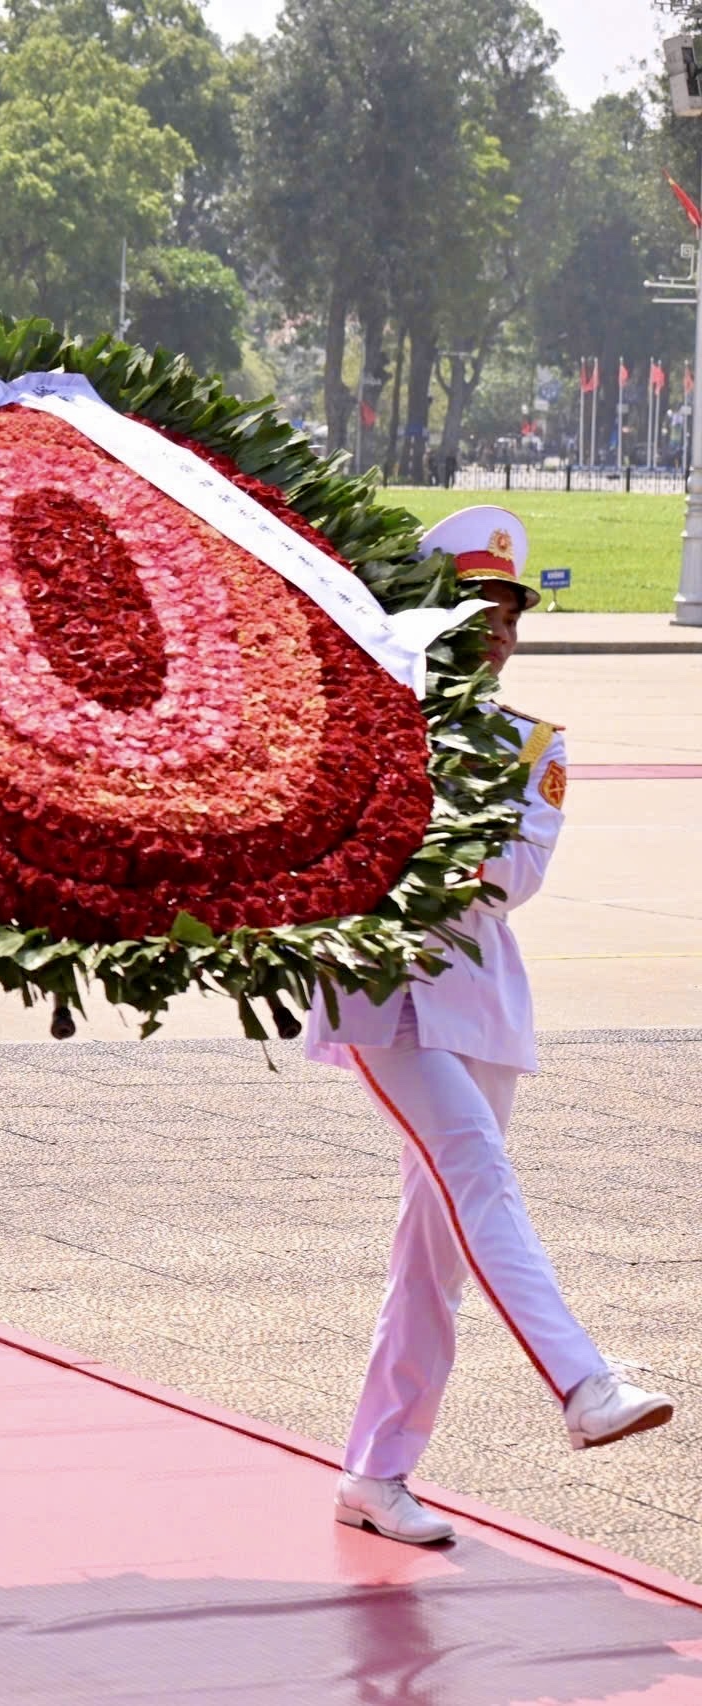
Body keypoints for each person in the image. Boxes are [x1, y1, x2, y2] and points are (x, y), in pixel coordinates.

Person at [312, 506, 674, 1548]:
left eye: (509, 610)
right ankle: (580, 1379)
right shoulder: (366, 722)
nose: (496, 627)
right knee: (476, 1167)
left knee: (432, 1257)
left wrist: (417, 837)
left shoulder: (532, 747)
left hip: (477, 1001)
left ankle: (374, 1472)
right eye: (475, 607)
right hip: (380, 993)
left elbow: (509, 876)